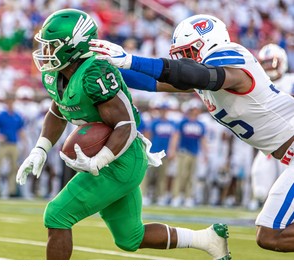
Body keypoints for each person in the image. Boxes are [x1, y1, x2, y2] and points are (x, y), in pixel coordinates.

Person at [16, 9, 230, 260]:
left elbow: (126, 125)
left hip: (121, 159)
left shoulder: (95, 72)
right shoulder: (55, 73)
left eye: (52, 46)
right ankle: (208, 240)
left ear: (72, 47)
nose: (46, 52)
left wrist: (100, 160)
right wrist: (40, 148)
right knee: (130, 238)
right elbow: (58, 109)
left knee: (57, 215)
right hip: (115, 155)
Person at [89, 14, 294, 252]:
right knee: (270, 235)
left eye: (188, 52)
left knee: (271, 234)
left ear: (210, 43)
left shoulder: (231, 59)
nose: (184, 59)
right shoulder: (204, 76)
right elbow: (152, 82)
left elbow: (197, 74)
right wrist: (98, 66)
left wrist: (131, 59)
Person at [249, 43, 294, 210]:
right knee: (260, 180)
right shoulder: (259, 84)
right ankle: (265, 207)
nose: (268, 67)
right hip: (269, 137)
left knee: (287, 176)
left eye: (271, 62)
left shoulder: (291, 81)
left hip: (289, 137)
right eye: (265, 63)